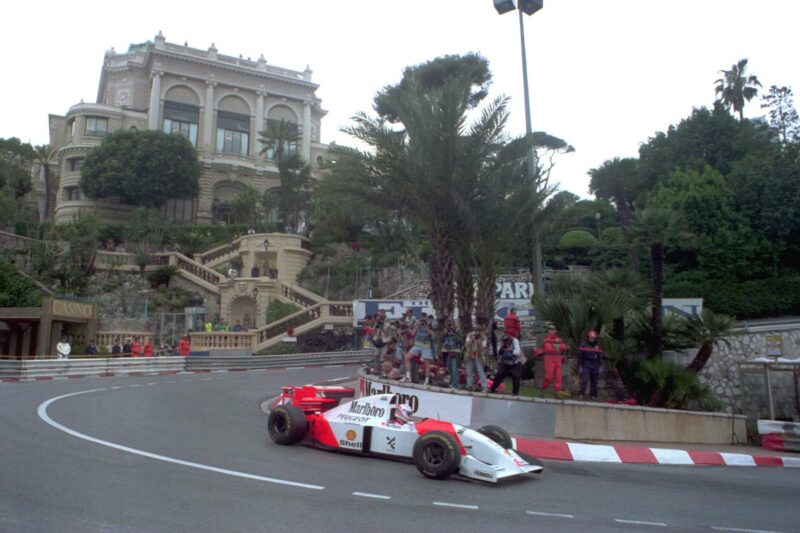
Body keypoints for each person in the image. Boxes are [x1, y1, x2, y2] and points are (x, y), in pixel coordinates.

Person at [535, 323, 569, 397]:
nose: (552, 331)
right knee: (548, 376)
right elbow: (549, 349)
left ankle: (556, 393)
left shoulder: (558, 339)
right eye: (550, 330)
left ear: (555, 331)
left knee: (558, 377)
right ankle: (543, 390)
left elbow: (565, 347)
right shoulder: (546, 339)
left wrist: (556, 345)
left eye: (553, 330)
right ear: (548, 331)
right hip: (549, 358)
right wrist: (558, 346)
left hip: (558, 359)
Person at [402, 313, 435, 384]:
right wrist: (417, 325)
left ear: (426, 318)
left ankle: (426, 380)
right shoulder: (417, 323)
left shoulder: (430, 324)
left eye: (424, 318)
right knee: (406, 357)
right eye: (422, 318)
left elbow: (433, 334)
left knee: (427, 363)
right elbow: (412, 334)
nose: (423, 320)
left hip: (426, 346)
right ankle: (408, 377)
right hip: (417, 345)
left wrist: (426, 326)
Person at [578, 330, 604, 400]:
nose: (592, 339)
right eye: (590, 337)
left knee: (594, 381)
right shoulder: (583, 345)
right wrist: (580, 366)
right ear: (588, 337)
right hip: (586, 364)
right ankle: (581, 394)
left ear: (595, 338)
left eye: (593, 338)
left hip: (595, 364)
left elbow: (600, 356)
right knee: (584, 380)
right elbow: (580, 356)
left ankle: (593, 395)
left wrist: (600, 366)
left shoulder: (598, 346)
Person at [441, 322, 463, 388]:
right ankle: (453, 382)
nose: (450, 328)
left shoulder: (458, 332)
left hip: (455, 352)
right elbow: (441, 340)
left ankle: (455, 384)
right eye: (449, 326)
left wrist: (453, 334)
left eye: (451, 326)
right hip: (447, 352)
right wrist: (444, 333)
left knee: (454, 369)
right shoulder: (446, 333)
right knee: (450, 368)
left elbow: (460, 341)